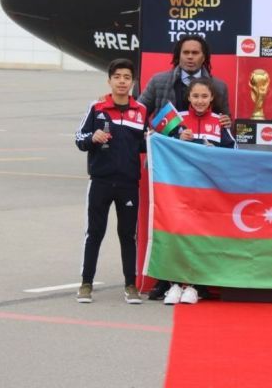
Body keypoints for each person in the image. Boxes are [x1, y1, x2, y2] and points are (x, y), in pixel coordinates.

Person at [141, 34, 231, 300]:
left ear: (205, 56)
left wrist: (227, 123)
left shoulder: (219, 86)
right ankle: (164, 280)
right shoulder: (158, 82)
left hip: (204, 174)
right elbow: (140, 113)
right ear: (178, 55)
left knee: (201, 226)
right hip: (168, 171)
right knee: (167, 223)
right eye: (185, 52)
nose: (190, 56)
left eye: (195, 52)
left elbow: (225, 123)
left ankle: (199, 281)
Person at [75, 58, 147, 304]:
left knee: (128, 234)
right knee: (94, 233)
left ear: (133, 82)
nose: (122, 81)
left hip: (129, 183)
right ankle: (86, 284)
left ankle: (130, 285)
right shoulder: (97, 107)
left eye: (127, 77)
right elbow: (79, 138)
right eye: (117, 77)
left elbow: (148, 142)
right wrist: (91, 137)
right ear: (110, 80)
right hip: (101, 181)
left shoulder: (141, 111)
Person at [162, 78, 237, 305]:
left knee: (198, 238)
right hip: (179, 191)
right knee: (177, 235)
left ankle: (193, 286)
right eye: (196, 96)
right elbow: (158, 144)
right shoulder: (178, 119)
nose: (200, 101)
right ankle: (174, 284)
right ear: (188, 97)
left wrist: (216, 151)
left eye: (204, 97)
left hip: (206, 192)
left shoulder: (220, 122)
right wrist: (176, 138)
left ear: (212, 98)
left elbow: (234, 152)